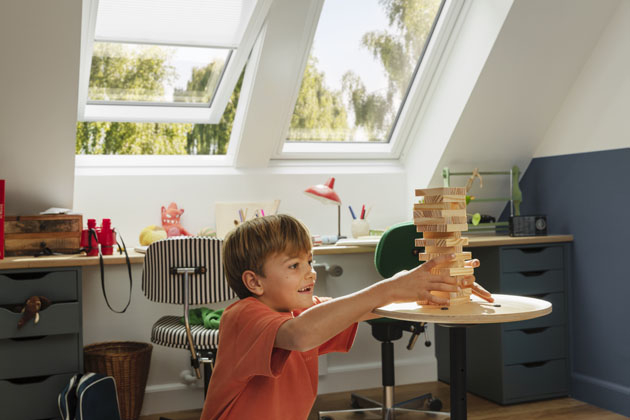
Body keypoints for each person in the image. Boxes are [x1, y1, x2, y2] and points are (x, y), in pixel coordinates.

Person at [200, 214, 492, 420]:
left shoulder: (301, 312)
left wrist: (425, 289)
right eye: (294, 265)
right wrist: (391, 288)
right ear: (254, 282)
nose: (310, 272)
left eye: (310, 261)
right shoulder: (243, 316)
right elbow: (300, 335)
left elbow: (357, 309)